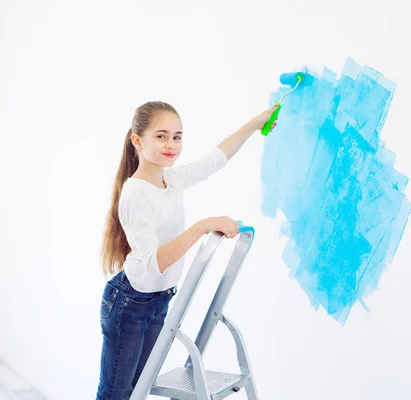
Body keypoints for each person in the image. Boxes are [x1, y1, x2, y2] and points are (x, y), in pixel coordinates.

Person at [96, 100, 277, 399]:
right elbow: (157, 262)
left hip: (159, 300)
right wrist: (203, 225)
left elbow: (216, 158)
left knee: (139, 389)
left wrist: (256, 123)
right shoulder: (135, 193)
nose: (171, 144)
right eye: (161, 135)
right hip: (130, 304)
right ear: (137, 141)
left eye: (177, 136)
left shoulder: (172, 179)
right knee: (117, 394)